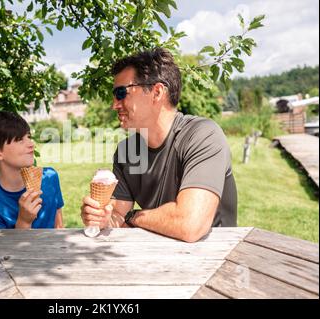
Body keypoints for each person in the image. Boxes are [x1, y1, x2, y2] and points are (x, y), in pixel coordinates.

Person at [80, 48, 237, 242]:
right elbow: (116, 218)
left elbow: (190, 225)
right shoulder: (126, 151)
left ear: (157, 92)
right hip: (157, 260)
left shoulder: (202, 135)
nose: (114, 104)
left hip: (215, 262)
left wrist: (132, 217)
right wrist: (101, 218)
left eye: (121, 93)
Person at [0, 111, 64, 229]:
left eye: (28, 137)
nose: (31, 144)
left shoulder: (50, 177)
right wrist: (24, 221)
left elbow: (59, 228)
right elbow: (2, 248)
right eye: (20, 139)